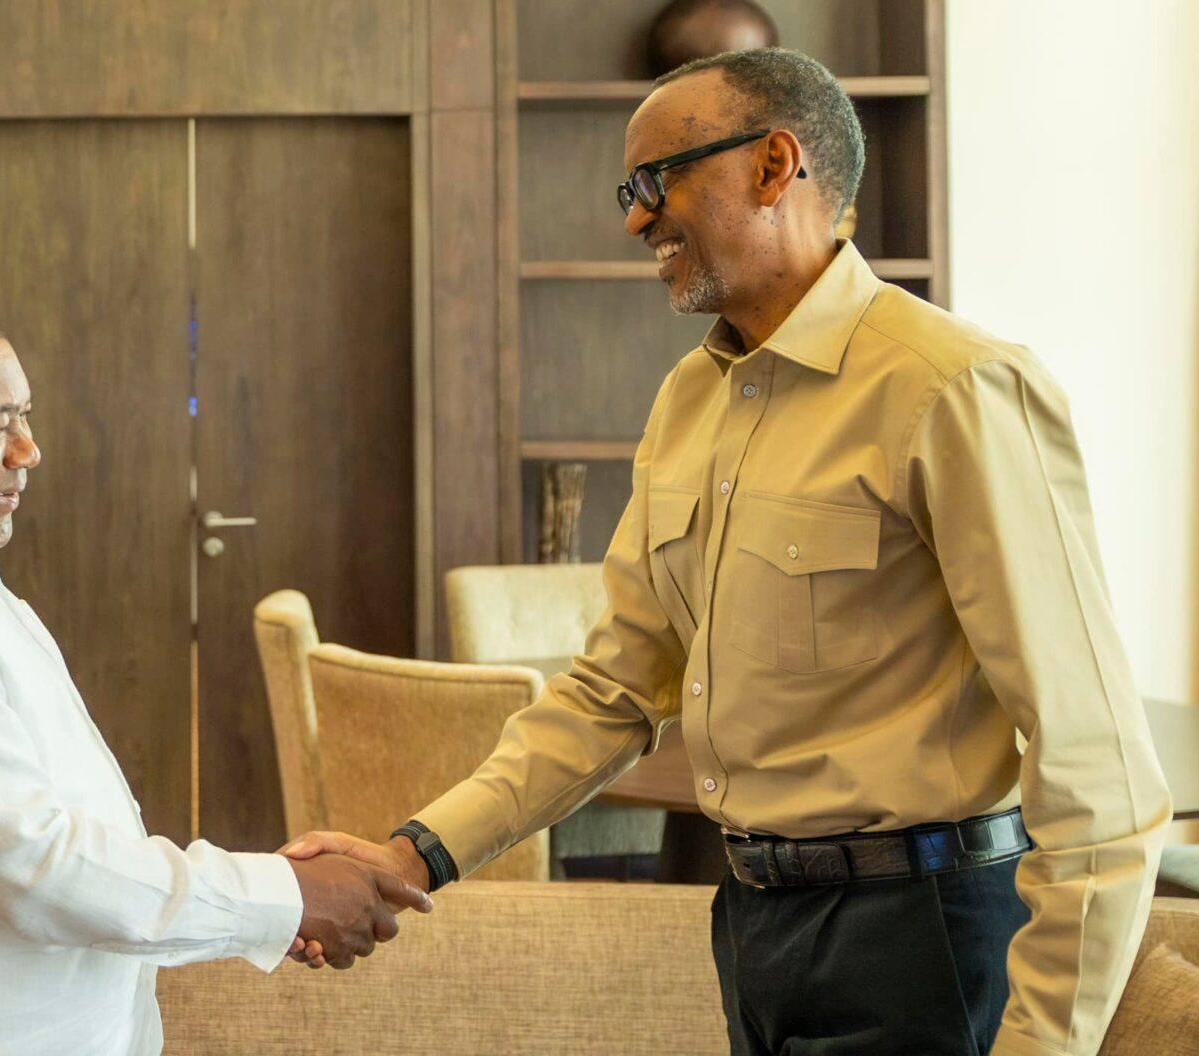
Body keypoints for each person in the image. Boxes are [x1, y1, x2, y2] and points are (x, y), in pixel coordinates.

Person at [283, 47, 1171, 1056]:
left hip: (923, 940)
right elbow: (610, 693)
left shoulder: (955, 389)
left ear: (773, 165)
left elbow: (1099, 775)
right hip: (754, 929)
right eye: (629, 192)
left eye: (656, 182)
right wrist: (411, 855)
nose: (636, 220)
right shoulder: (689, 401)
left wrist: (1046, 1044)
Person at [0, 286, 429, 1055]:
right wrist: (281, 897)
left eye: (25, 416)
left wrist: (281, 899)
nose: (28, 451)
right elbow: (34, 867)